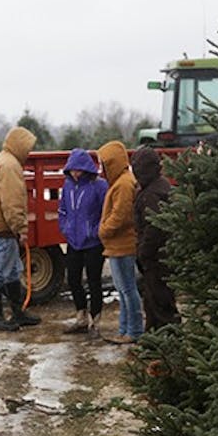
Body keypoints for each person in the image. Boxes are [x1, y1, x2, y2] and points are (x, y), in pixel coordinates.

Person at [0, 126, 41, 331]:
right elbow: (12, 203)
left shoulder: (1, 159)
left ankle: (17, 312)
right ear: (20, 145)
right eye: (28, 148)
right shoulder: (10, 165)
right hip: (1, 228)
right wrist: (20, 228)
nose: (29, 153)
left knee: (12, 270)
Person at [57, 148, 108, 338]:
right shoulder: (68, 185)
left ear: (86, 168)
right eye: (72, 169)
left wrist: (95, 232)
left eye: (78, 169)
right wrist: (65, 227)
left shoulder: (99, 186)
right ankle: (81, 317)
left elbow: (106, 212)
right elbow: (62, 209)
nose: (75, 173)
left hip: (93, 243)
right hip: (74, 241)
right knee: (73, 279)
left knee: (94, 282)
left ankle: (95, 321)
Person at [97, 140, 143, 344]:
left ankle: (134, 332)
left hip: (122, 245)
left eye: (104, 164)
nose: (101, 169)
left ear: (113, 162)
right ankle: (125, 329)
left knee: (127, 290)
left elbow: (121, 215)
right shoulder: (119, 181)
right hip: (116, 245)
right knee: (123, 290)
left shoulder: (124, 184)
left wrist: (104, 230)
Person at [131, 147, 180, 331]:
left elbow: (155, 227)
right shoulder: (158, 185)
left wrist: (143, 252)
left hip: (157, 258)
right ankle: (154, 339)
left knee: (160, 302)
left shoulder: (152, 193)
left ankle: (167, 340)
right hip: (158, 256)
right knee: (153, 300)